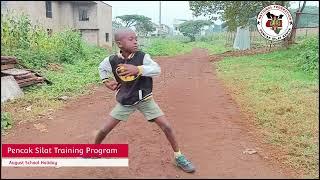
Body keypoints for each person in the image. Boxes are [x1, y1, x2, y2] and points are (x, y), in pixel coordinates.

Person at [96, 28, 195, 173]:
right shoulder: (112, 60)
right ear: (119, 44)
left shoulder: (143, 57)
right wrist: (106, 81)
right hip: (126, 100)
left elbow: (157, 70)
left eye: (136, 38)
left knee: (166, 127)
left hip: (145, 99)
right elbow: (101, 68)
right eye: (130, 39)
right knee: (104, 129)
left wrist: (139, 69)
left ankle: (179, 156)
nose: (135, 41)